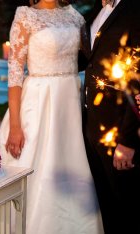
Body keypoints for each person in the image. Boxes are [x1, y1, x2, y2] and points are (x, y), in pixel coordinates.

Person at [0, 0, 104, 233]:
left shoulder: (75, 16)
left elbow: (90, 57)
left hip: (69, 104)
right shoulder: (25, 16)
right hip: (38, 102)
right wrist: (15, 125)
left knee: (71, 162)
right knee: (37, 167)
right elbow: (15, 75)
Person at [79, 0, 140, 233]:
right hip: (93, 127)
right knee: (107, 208)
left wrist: (128, 141)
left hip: (119, 131)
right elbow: (91, 60)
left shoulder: (135, 10)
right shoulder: (98, 10)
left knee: (127, 210)